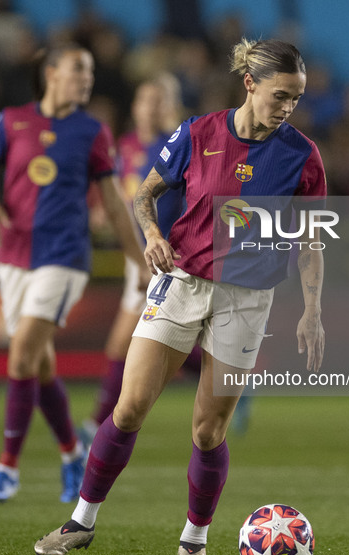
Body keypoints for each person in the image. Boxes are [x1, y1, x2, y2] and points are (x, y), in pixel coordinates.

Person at [34, 38, 326, 555]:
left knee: (208, 430)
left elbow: (309, 242)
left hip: (248, 299)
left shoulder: (302, 157)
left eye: (297, 98)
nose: (288, 107)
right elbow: (144, 195)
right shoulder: (198, 133)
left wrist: (312, 311)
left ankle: (193, 540)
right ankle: (81, 521)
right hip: (182, 280)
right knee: (127, 409)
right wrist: (150, 236)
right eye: (281, 95)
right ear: (250, 83)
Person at [0, 43, 149, 503]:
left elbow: (112, 202)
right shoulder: (11, 120)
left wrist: (138, 259)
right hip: (12, 256)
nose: (86, 79)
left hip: (64, 257)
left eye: (89, 72)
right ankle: (72, 455)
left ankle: (7, 469)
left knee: (23, 353)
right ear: (51, 73)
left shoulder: (92, 131)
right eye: (77, 70)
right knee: (39, 363)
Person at [82, 73, 196, 439]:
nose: (150, 107)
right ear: (134, 107)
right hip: (139, 254)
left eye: (157, 101)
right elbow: (120, 192)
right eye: (145, 100)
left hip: (167, 254)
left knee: (123, 343)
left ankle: (94, 425)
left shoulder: (174, 145)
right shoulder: (126, 145)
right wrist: (101, 212)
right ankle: (225, 377)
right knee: (156, 342)